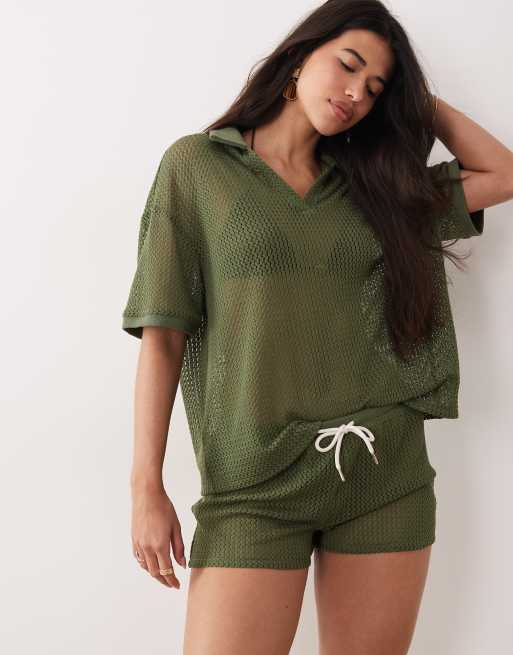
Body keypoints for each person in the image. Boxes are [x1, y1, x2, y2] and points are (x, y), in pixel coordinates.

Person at [121, 1, 513, 653]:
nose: (357, 93)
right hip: (253, 487)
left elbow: (501, 173)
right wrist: (146, 487)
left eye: (376, 87)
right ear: (299, 56)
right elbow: (164, 336)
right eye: (348, 65)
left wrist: (415, 98)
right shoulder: (198, 167)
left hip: (382, 475)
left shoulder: (378, 188)